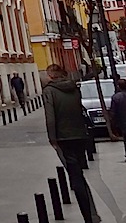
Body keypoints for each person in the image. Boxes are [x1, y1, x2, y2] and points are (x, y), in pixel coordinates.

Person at [42, 63, 95, 223]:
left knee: (75, 176)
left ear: (51, 75)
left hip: (64, 138)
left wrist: (52, 138)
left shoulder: (49, 91)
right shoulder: (74, 88)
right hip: (80, 134)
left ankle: (88, 215)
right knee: (79, 172)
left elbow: (50, 117)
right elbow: (79, 109)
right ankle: (91, 211)